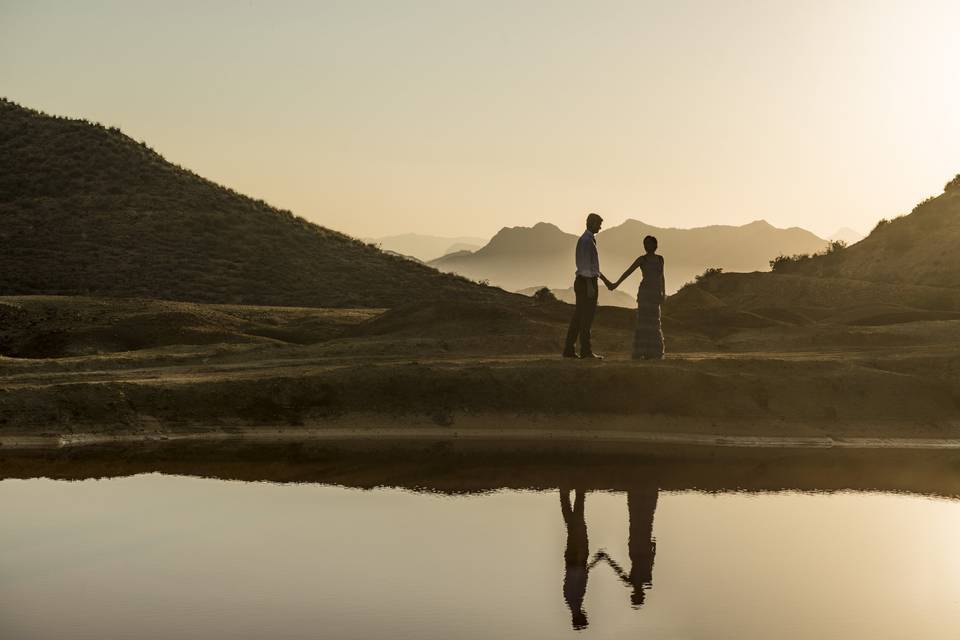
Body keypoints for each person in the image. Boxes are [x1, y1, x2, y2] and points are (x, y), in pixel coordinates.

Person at [563, 213, 613, 359]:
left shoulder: (587, 240)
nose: (600, 227)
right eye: (598, 224)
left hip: (584, 281)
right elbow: (586, 268)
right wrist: (590, 285)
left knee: (579, 317)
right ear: (591, 223)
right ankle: (586, 351)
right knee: (586, 318)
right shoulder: (587, 241)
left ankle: (569, 350)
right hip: (586, 283)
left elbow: (593, 267)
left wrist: (605, 281)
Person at [608, 235, 665, 360]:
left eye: (649, 243)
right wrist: (616, 284)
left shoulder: (660, 259)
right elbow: (628, 272)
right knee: (643, 323)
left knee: (654, 323)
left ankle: (654, 352)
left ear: (655, 245)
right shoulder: (642, 260)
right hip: (645, 294)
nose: (646, 246)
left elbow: (662, 277)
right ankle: (641, 352)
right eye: (645, 244)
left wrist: (663, 293)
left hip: (655, 295)